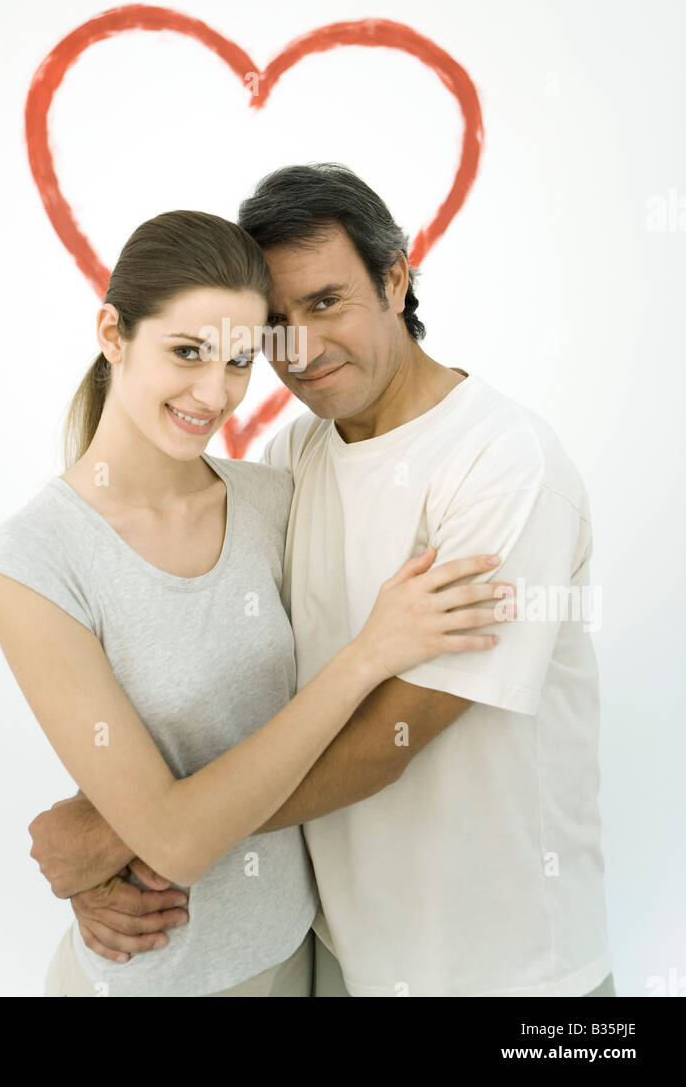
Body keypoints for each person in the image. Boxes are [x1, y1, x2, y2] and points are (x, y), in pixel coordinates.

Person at [30, 165, 614, 998]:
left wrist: (131, 835)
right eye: (272, 324)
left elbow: (389, 743)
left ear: (394, 278)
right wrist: (126, 841)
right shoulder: (294, 459)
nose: (298, 348)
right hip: (332, 950)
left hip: (506, 968)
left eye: (325, 303)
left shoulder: (502, 464)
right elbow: (224, 688)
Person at [0, 209, 511, 998]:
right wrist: (366, 657)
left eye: (239, 360)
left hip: (304, 950)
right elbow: (177, 839)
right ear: (112, 333)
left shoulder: (272, 499)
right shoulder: (29, 565)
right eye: (186, 352)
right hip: (158, 976)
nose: (215, 393)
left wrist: (95, 839)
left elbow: (278, 743)